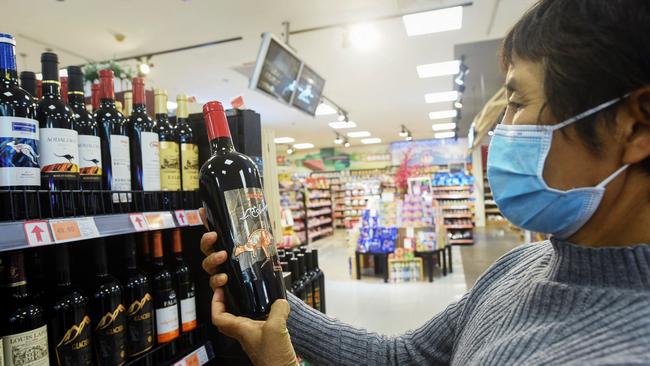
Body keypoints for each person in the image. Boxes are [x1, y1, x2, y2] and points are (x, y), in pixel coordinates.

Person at [200, 0, 650, 364]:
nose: (501, 130)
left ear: (635, 127)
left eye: (517, 100)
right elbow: (405, 355)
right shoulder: (525, 264)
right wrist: (267, 297)